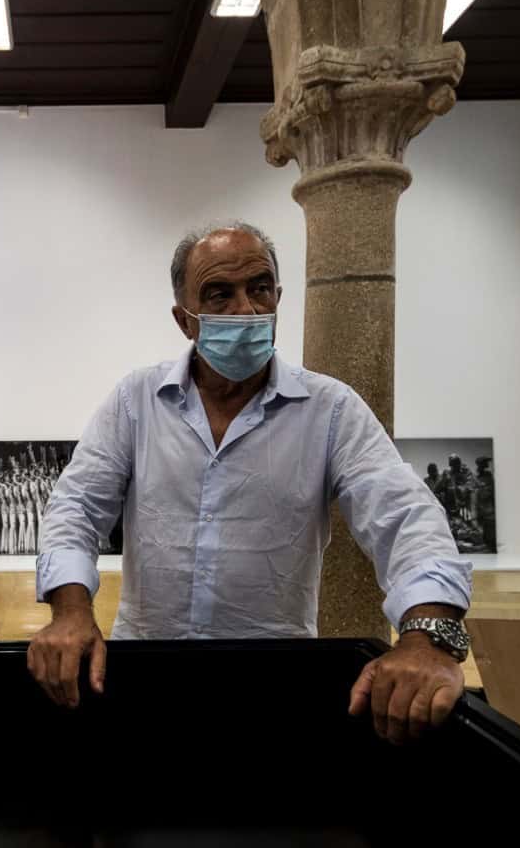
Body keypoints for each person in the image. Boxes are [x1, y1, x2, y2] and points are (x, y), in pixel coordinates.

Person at [27, 223, 473, 746]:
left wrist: (427, 635)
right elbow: (76, 506)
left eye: (260, 288)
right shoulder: (136, 401)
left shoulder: (330, 410)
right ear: (184, 320)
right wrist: (71, 611)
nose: (246, 310)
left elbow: (406, 516)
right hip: (143, 673)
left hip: (278, 683)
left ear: (278, 297)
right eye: (220, 294)